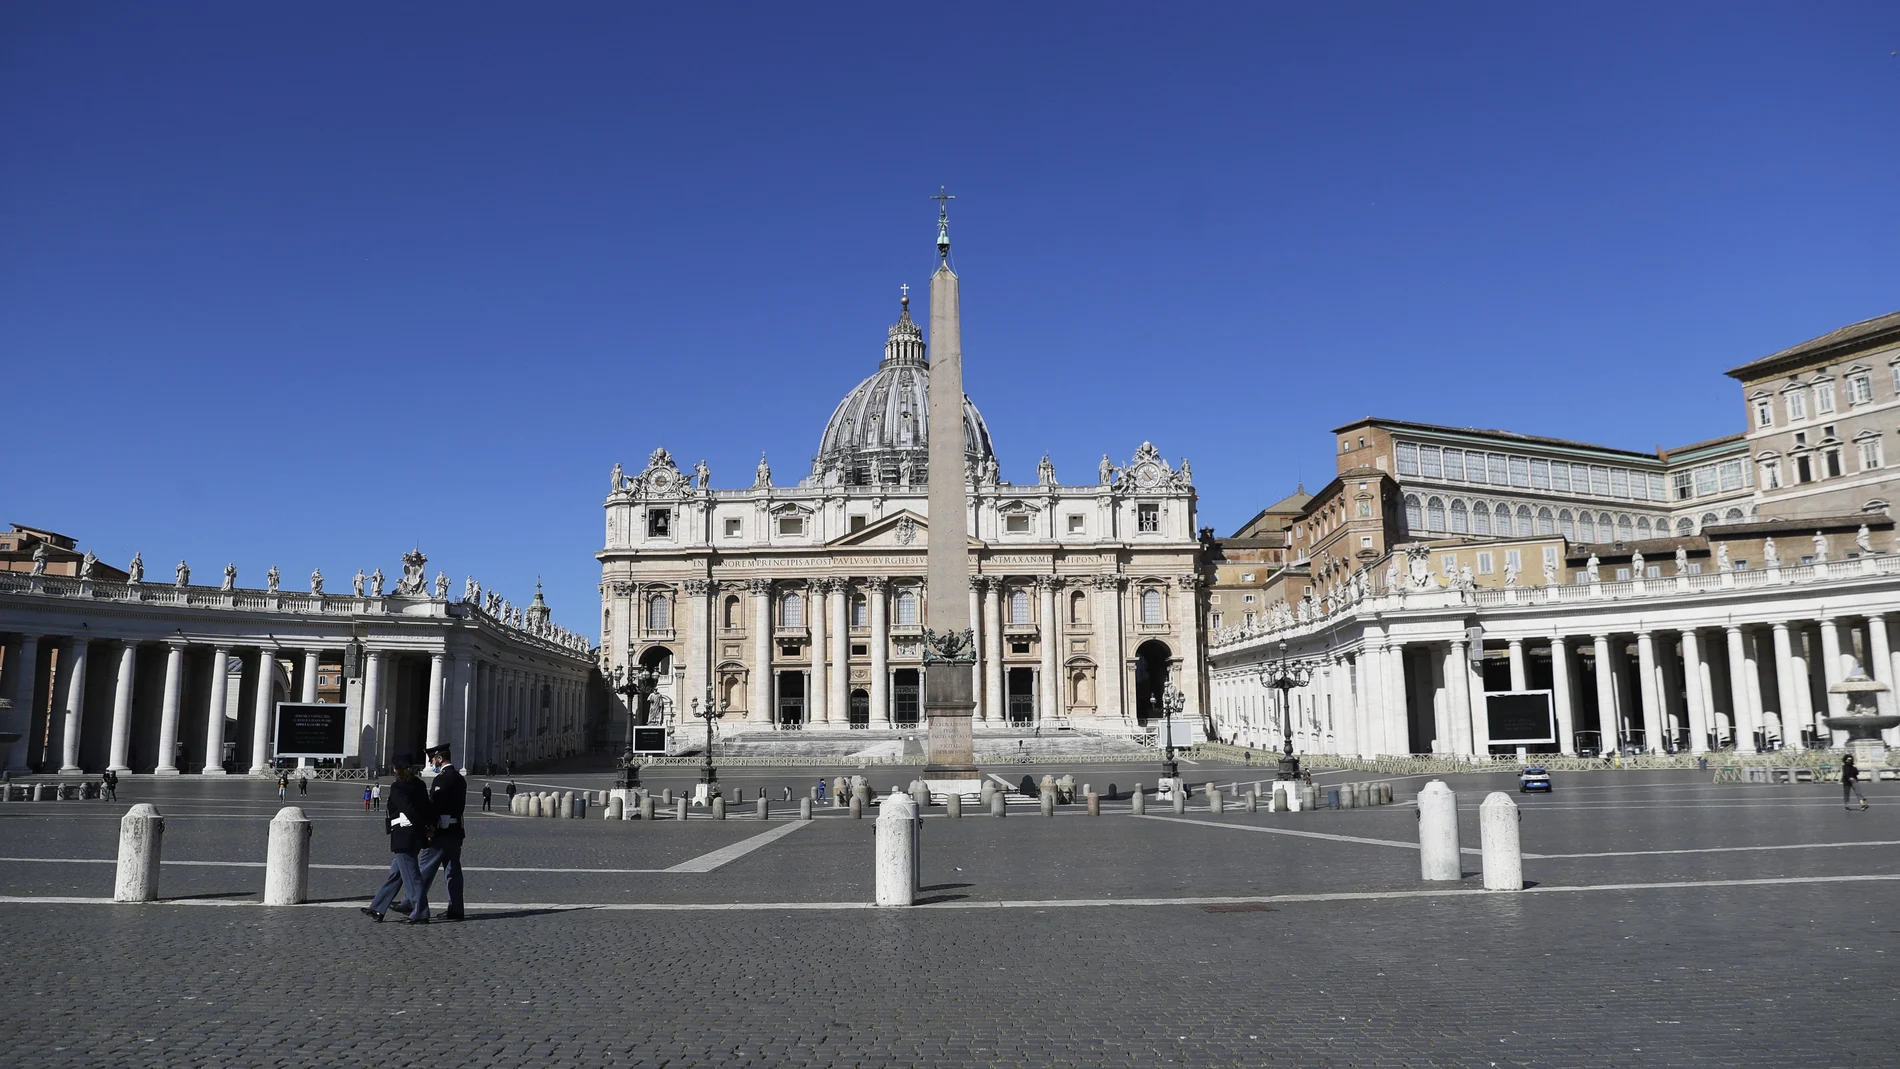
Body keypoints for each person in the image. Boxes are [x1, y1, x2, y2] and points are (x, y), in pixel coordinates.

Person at [361, 753, 434, 923]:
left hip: (404, 835)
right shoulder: (420, 785)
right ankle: (378, 908)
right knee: (396, 874)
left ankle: (421, 911)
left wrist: (418, 826)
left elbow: (407, 809)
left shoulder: (398, 787)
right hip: (415, 835)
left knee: (411, 876)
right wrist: (426, 828)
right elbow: (427, 807)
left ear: (397, 769)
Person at [405, 743, 467, 922]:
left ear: (440, 759)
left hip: (440, 832)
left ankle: (413, 904)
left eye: (432, 759)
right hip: (456, 831)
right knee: (453, 871)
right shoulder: (459, 778)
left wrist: (429, 828)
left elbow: (435, 807)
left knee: (425, 869)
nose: (432, 763)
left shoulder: (442, 779)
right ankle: (456, 909)